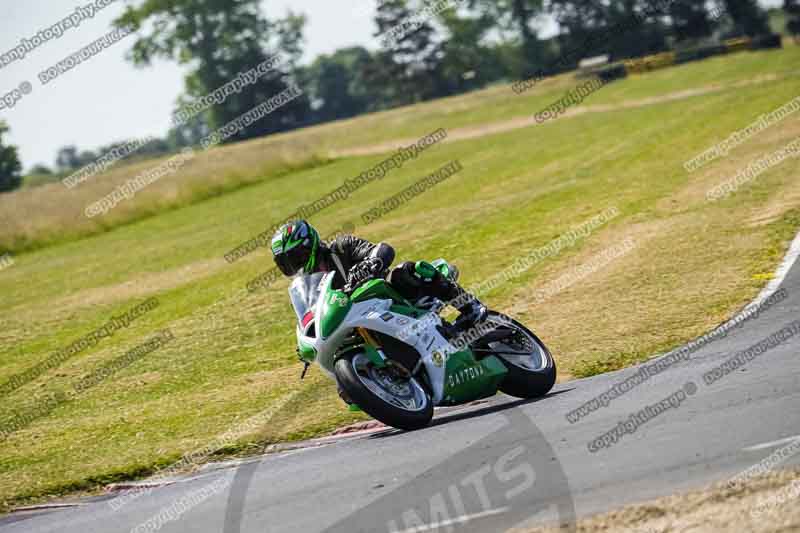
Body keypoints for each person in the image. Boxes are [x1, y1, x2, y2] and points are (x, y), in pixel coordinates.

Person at [270, 220, 487, 329]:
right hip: (360, 321)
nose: (295, 265)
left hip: (389, 298)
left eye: (296, 257)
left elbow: (382, 249)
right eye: (286, 263)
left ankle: (470, 307)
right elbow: (313, 315)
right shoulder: (305, 288)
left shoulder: (342, 247)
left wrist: (371, 262)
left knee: (406, 270)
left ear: (310, 246)